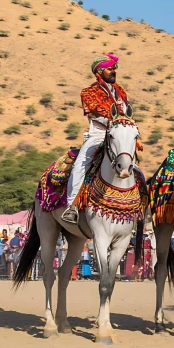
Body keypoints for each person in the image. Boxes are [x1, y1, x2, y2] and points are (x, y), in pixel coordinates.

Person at [62, 53, 129, 223]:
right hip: (99, 134)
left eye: (114, 68)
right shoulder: (89, 92)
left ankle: (140, 201)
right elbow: (93, 113)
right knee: (80, 165)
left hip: (120, 134)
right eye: (110, 68)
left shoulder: (120, 92)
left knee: (132, 162)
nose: (114, 71)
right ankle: (71, 206)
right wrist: (113, 123)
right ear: (99, 71)